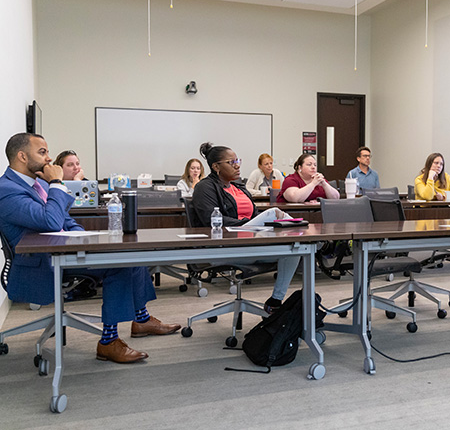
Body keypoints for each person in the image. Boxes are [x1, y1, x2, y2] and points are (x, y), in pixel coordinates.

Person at [0, 133, 181, 364]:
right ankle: (109, 342)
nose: (49, 159)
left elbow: (65, 220)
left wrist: (87, 238)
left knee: (132, 255)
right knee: (119, 265)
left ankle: (141, 319)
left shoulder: (36, 185)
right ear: (22, 156)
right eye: (42, 152)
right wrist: (56, 182)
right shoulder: (7, 189)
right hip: (41, 264)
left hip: (63, 252)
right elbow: (50, 222)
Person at [193, 142, 301, 313]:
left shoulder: (239, 187)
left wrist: (257, 225)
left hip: (250, 242)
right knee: (273, 212)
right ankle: (309, 238)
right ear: (216, 167)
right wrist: (250, 225)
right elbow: (211, 220)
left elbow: (255, 216)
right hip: (225, 246)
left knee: (295, 248)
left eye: (238, 161)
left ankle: (275, 301)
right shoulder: (204, 187)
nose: (237, 166)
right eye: (231, 162)